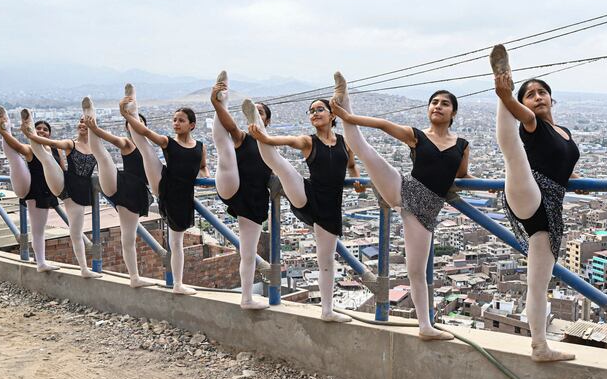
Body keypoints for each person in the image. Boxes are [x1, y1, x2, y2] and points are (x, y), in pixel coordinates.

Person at [329, 73, 469, 340]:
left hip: (426, 211)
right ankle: (343, 96)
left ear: (453, 112)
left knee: (416, 270)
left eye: (444, 103)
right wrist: (347, 116)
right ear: (428, 109)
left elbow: (462, 174)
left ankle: (425, 326)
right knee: (363, 149)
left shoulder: (462, 145)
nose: (438, 106)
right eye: (434, 102)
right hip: (404, 189)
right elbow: (383, 124)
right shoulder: (417, 136)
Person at [489, 44, 579, 361]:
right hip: (529, 190)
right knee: (513, 152)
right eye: (531, 94)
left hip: (551, 209)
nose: (538, 97)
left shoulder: (564, 132)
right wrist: (506, 96)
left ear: (552, 99)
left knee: (538, 283)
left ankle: (540, 346)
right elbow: (521, 122)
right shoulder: (532, 123)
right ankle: (502, 78)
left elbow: (565, 163)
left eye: (542, 92)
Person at [247, 96, 360, 322]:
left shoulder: (345, 143)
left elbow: (352, 165)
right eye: (311, 111)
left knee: (325, 260)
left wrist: (356, 180)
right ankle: (256, 122)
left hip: (330, 208)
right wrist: (264, 137)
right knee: (281, 166)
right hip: (307, 195)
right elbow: (287, 141)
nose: (315, 113)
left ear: (332, 115)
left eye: (320, 109)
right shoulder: (308, 141)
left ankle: (327, 310)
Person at [119, 84, 208, 295]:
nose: (176, 123)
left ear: (192, 125)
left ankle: (177, 283)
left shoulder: (200, 146)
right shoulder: (168, 142)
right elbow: (145, 132)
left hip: (184, 195)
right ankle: (177, 284)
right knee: (144, 146)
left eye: (181, 120)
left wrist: (203, 177)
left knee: (176, 242)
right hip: (165, 183)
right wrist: (127, 115)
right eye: (174, 119)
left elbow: (203, 167)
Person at [210, 71, 272, 309]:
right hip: (233, 187)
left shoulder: (270, 145)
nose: (257, 115)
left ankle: (246, 298)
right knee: (225, 147)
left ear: (266, 122)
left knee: (248, 252)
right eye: (253, 111)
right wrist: (217, 104)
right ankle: (220, 100)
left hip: (254, 201)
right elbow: (229, 126)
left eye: (260, 113)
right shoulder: (243, 137)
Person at [21, 107, 101, 278]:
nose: (82, 124)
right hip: (66, 184)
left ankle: (84, 269)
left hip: (78, 193)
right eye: (81, 121)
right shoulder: (71, 143)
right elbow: (52, 144)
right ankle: (28, 125)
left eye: (86, 121)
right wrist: (31, 135)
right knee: (46, 158)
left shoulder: (96, 147)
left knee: (76, 232)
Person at [82, 96, 153, 288]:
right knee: (103, 157)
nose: (135, 126)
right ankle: (90, 115)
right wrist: (94, 128)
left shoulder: (149, 149)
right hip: (120, 183)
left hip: (133, 195)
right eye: (132, 123)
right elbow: (113, 141)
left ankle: (134, 277)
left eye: (139, 123)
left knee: (128, 237)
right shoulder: (129, 143)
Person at [0, 106, 61, 272]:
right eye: (38, 128)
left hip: (46, 191)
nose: (41, 131)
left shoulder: (55, 150)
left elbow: (62, 171)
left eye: (45, 129)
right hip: (31, 188)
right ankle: (41, 263)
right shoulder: (31, 148)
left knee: (38, 228)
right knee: (15, 159)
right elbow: (17, 147)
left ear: (49, 134)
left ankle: (39, 260)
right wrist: (4, 133)